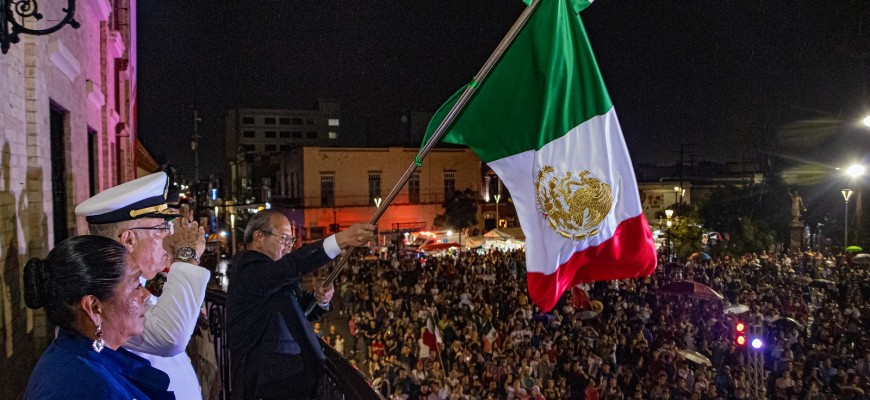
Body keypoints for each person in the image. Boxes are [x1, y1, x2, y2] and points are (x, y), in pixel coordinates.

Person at [75, 172, 210, 399]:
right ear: (129, 240)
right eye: (161, 229)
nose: (169, 240)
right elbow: (170, 337)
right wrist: (187, 256)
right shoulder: (105, 296)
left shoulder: (135, 287)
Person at [227, 209, 374, 399]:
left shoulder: (268, 275)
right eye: (284, 239)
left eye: (291, 241)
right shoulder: (249, 269)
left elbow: (292, 313)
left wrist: (319, 299)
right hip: (265, 386)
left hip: (283, 382)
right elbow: (292, 265)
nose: (289, 247)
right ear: (259, 237)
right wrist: (342, 239)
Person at [23, 236, 173, 399]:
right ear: (94, 307)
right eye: (136, 286)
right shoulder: (90, 389)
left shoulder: (83, 355)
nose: (145, 295)